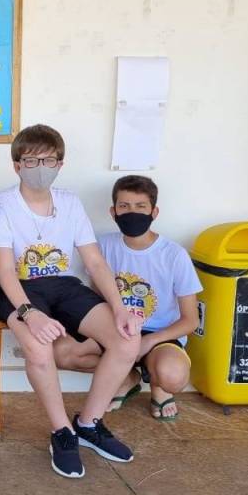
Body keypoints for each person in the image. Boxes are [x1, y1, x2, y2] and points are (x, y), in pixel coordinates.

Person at [0, 124, 141, 479]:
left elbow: (95, 262)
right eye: (31, 161)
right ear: (17, 165)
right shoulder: (2, 205)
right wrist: (29, 313)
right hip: (20, 289)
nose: (40, 168)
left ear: (60, 164)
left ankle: (89, 424)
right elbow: (5, 271)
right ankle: (62, 432)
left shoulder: (70, 203)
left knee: (127, 338)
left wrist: (120, 308)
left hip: (63, 285)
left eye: (49, 160)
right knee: (39, 346)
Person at [53, 175, 202, 421]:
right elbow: (98, 298)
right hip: (117, 330)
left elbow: (191, 320)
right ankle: (127, 377)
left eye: (140, 206)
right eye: (124, 206)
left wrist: (148, 341)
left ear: (154, 212)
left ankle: (159, 387)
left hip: (160, 335)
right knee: (62, 352)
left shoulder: (175, 255)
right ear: (113, 212)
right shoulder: (102, 246)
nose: (132, 212)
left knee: (173, 376)